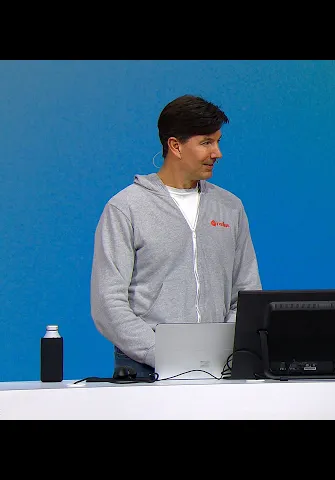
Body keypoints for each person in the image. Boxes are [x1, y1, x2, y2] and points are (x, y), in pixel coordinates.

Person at [90, 94, 262, 378]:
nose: (217, 153)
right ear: (175, 146)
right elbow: (107, 302)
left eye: (218, 141)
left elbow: (246, 293)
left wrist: (227, 350)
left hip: (220, 369)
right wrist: (162, 353)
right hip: (144, 368)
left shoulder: (230, 207)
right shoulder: (126, 208)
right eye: (206, 142)